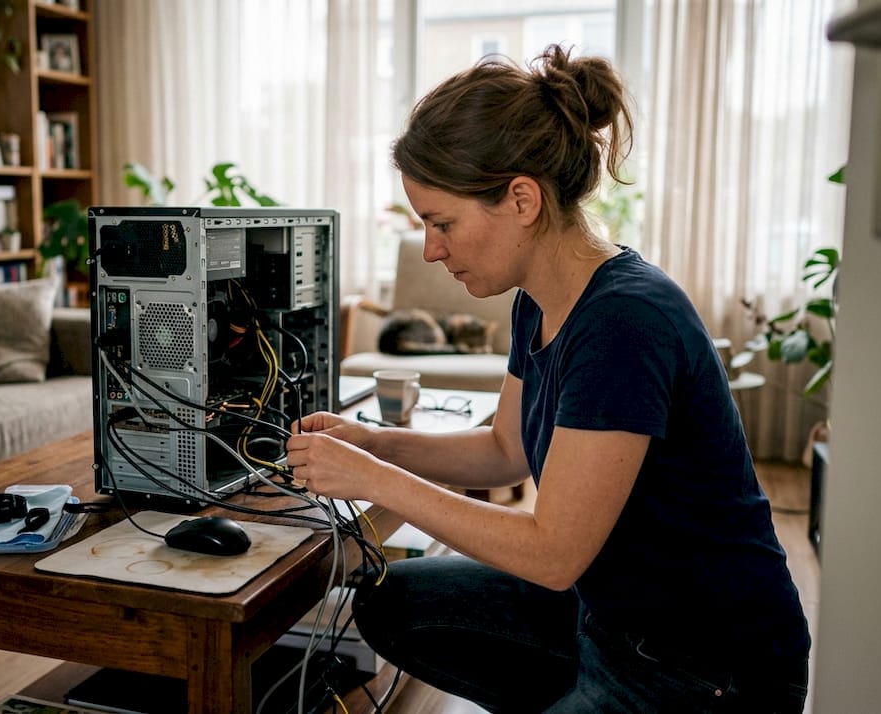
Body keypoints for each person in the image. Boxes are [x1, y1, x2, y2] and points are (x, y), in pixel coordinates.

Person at [285, 44, 809, 713]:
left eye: (441, 222)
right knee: (392, 605)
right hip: (607, 618)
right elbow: (505, 450)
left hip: (704, 670)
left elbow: (553, 553)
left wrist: (374, 481)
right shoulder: (540, 296)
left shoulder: (624, 320)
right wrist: (374, 444)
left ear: (522, 199)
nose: (431, 248)